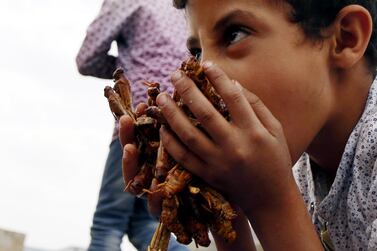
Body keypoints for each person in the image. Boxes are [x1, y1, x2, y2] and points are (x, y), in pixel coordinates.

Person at [119, 0, 377, 250]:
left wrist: (269, 201)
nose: (203, 75)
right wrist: (224, 209)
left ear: (346, 38)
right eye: (197, 53)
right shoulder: (303, 172)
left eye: (234, 34)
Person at [76, 0, 190, 250]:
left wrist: (126, 65)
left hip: (138, 119)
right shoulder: (182, 8)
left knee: (108, 222)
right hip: (180, 122)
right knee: (145, 223)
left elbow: (86, 59)